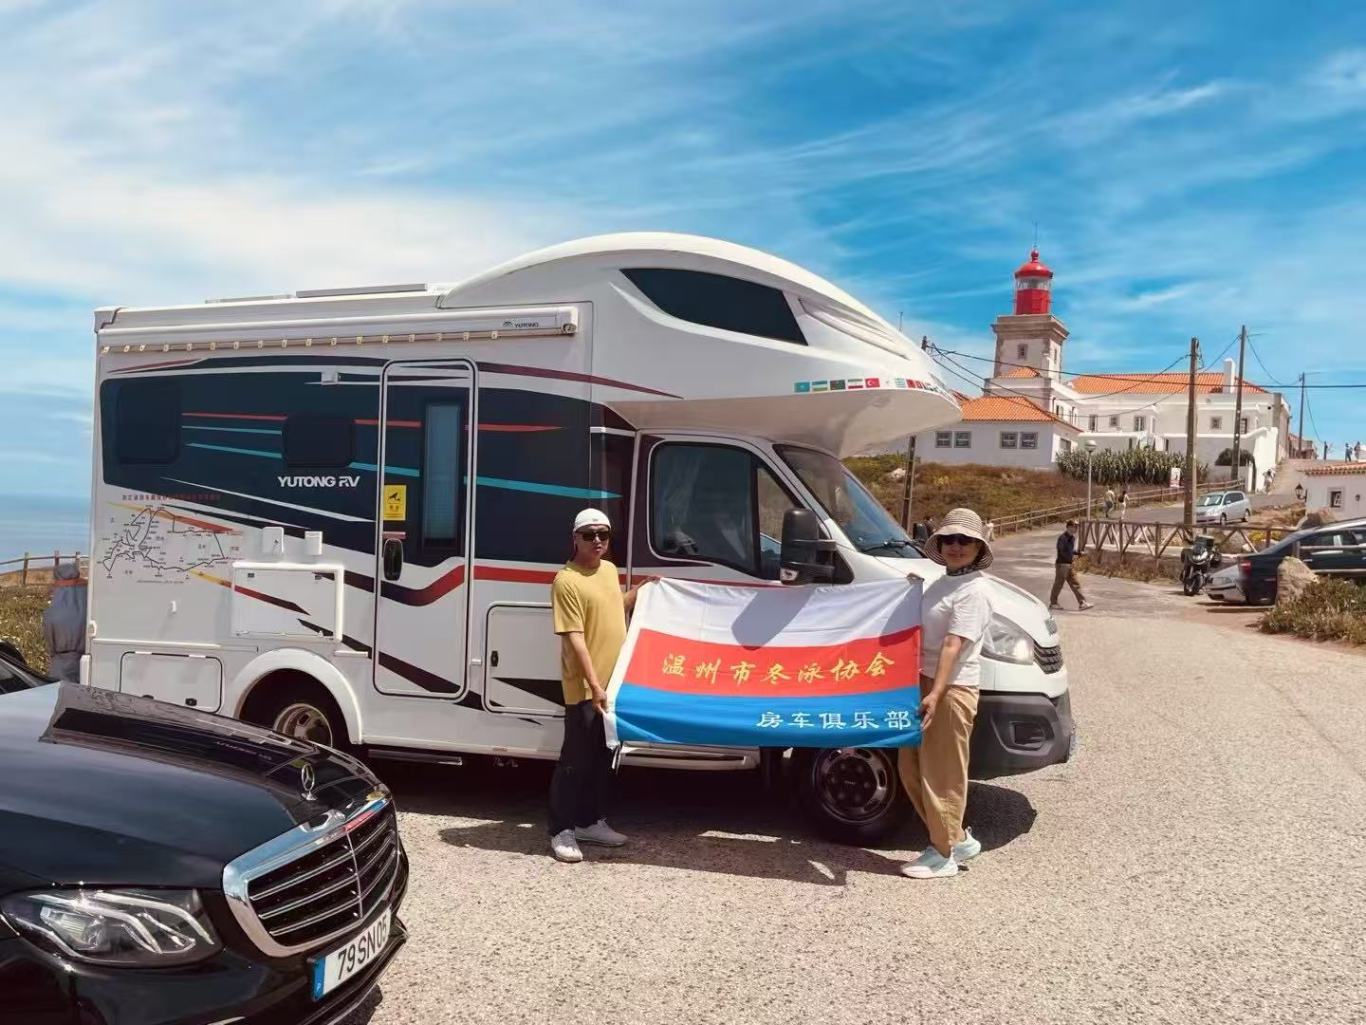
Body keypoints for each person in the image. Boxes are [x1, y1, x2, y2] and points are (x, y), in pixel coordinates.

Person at [897, 508, 994, 880]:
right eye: (949, 539)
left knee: (942, 772)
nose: (956, 546)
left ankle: (942, 854)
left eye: (964, 540)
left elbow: (953, 645)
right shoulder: (942, 583)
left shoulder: (975, 590)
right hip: (924, 683)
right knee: (911, 767)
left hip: (951, 688)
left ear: (978, 546)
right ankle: (956, 838)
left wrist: (936, 694)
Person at [548, 508, 648, 864]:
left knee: (602, 759)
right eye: (589, 534)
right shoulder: (566, 581)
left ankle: (590, 822)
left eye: (603, 534)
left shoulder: (607, 570)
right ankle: (561, 830)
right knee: (574, 762)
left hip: (612, 686)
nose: (597, 541)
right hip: (585, 691)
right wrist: (594, 685)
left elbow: (613, 609)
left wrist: (641, 592)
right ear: (575, 538)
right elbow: (575, 637)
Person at [42, 562, 87, 682]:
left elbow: (49, 634)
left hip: (60, 662)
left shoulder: (53, 609)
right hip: (86, 659)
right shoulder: (88, 598)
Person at [1049, 520, 1094, 611]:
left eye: (1077, 527)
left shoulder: (1072, 538)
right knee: (1059, 584)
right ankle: (1053, 603)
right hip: (1062, 564)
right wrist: (1068, 558)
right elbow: (1061, 551)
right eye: (1074, 527)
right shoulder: (1062, 538)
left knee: (1075, 583)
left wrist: (1078, 553)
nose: (1076, 529)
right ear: (1069, 527)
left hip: (1069, 564)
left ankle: (1082, 603)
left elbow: (1070, 551)